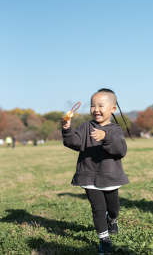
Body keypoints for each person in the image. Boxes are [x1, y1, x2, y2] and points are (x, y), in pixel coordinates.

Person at [60, 88, 130, 255]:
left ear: (113, 108)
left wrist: (105, 136)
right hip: (88, 175)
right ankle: (104, 239)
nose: (96, 109)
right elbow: (74, 143)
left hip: (109, 176)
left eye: (100, 105)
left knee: (113, 209)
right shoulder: (85, 127)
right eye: (92, 105)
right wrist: (67, 129)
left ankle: (112, 220)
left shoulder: (115, 130)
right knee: (98, 208)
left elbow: (121, 150)